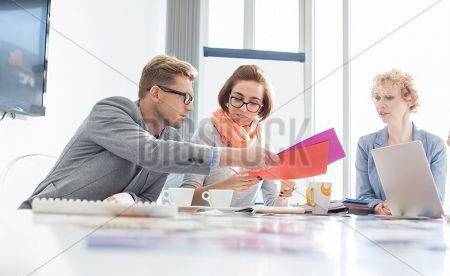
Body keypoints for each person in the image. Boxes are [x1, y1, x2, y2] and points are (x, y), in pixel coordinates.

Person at [20, 55, 280, 209]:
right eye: (185, 97)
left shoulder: (171, 137)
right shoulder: (111, 110)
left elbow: (148, 197)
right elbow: (152, 153)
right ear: (156, 93)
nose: (190, 106)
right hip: (45, 216)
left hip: (96, 233)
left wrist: (129, 197)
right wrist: (240, 157)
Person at [181, 65, 296, 207]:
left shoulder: (263, 145)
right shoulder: (207, 132)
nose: (242, 108)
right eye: (237, 98)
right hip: (206, 224)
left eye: (253, 103)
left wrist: (283, 194)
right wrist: (226, 186)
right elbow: (185, 198)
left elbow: (272, 204)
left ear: (261, 108)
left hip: (244, 226)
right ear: (227, 98)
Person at [355, 69, 447, 215]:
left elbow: (436, 200)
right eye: (377, 98)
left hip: (421, 231)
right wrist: (379, 207)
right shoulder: (366, 144)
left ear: (409, 100)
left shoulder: (435, 145)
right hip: (378, 229)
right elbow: (362, 195)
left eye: (389, 97)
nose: (381, 104)